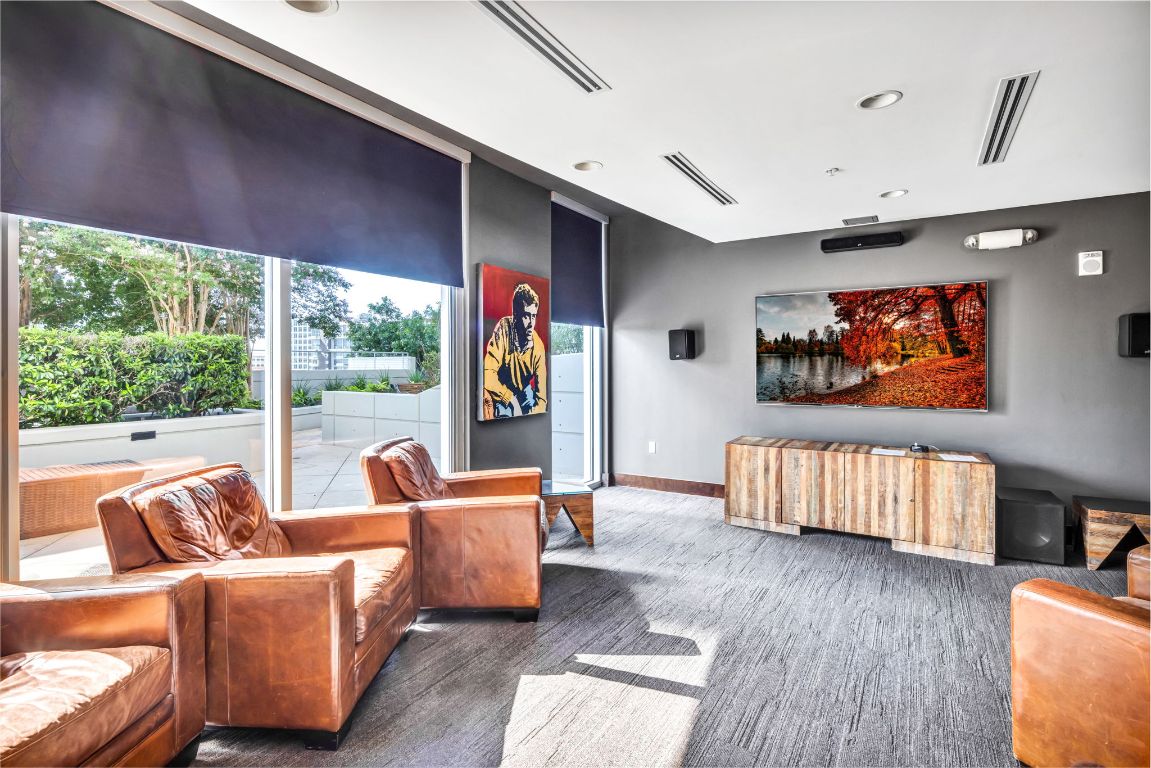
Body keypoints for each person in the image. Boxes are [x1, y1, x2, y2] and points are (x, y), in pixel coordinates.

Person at [483, 282, 547, 419]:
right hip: (501, 389)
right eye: (526, 316)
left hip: (524, 390)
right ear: (516, 315)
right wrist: (510, 399)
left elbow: (542, 400)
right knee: (503, 413)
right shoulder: (504, 328)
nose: (531, 323)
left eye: (533, 316)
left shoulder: (538, 347)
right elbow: (487, 374)